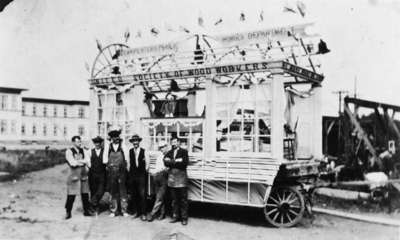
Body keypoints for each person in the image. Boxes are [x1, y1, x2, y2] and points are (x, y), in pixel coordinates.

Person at [103, 127, 130, 217]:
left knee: (123, 190)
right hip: (112, 171)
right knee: (113, 191)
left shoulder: (123, 145)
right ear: (111, 138)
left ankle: (124, 210)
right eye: (113, 137)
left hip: (121, 171)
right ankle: (113, 210)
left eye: (117, 137)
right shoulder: (108, 146)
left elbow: (126, 157)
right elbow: (105, 159)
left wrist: (125, 166)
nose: (115, 139)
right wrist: (108, 165)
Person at [64, 136, 94, 219]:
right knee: (71, 194)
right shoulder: (69, 151)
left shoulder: (83, 150)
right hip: (74, 173)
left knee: (85, 193)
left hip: (83, 173)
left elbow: (88, 160)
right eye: (77, 142)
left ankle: (86, 211)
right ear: (73, 142)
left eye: (80, 141)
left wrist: (79, 161)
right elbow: (72, 163)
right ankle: (68, 212)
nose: (79, 143)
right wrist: (82, 161)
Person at [164, 137, 189, 225]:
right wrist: (177, 161)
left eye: (175, 142)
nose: (173, 144)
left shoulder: (184, 151)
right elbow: (165, 162)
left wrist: (172, 162)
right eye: (172, 142)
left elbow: (185, 163)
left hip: (181, 178)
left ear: (179, 142)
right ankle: (175, 216)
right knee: (174, 199)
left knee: (183, 199)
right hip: (172, 179)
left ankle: (184, 218)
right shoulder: (169, 152)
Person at [127, 134, 150, 221]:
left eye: (137, 141)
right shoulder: (130, 151)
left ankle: (143, 213)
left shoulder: (144, 151)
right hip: (133, 175)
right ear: (132, 143)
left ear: (139, 142)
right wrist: (130, 173)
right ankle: (137, 212)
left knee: (142, 195)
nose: (135, 142)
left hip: (141, 175)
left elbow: (147, 164)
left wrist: (143, 173)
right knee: (134, 194)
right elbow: (129, 163)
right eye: (134, 141)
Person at [147, 141, 169, 222]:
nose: (162, 149)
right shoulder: (159, 155)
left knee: (159, 197)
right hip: (156, 176)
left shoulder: (169, 155)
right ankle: (162, 214)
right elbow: (157, 166)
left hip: (164, 177)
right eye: (160, 147)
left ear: (167, 146)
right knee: (159, 197)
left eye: (163, 147)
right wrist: (153, 172)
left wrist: (163, 171)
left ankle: (152, 213)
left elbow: (168, 168)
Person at [88, 136, 106, 213]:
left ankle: (91, 203)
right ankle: (95, 207)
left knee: (101, 190)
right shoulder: (90, 151)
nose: (97, 144)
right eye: (96, 143)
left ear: (101, 143)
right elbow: (88, 163)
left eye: (99, 142)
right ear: (94, 143)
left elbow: (106, 162)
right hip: (92, 174)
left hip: (102, 174)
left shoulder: (104, 151)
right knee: (93, 190)